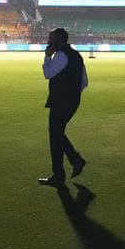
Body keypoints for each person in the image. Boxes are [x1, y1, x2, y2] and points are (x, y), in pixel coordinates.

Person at [39, 27, 89, 186]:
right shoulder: (76, 55)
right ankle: (73, 161)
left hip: (61, 101)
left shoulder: (61, 55)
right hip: (71, 101)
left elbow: (48, 74)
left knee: (55, 134)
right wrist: (73, 94)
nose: (48, 42)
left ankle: (62, 172)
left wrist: (47, 57)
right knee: (57, 133)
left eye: (51, 39)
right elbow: (84, 81)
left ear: (58, 41)